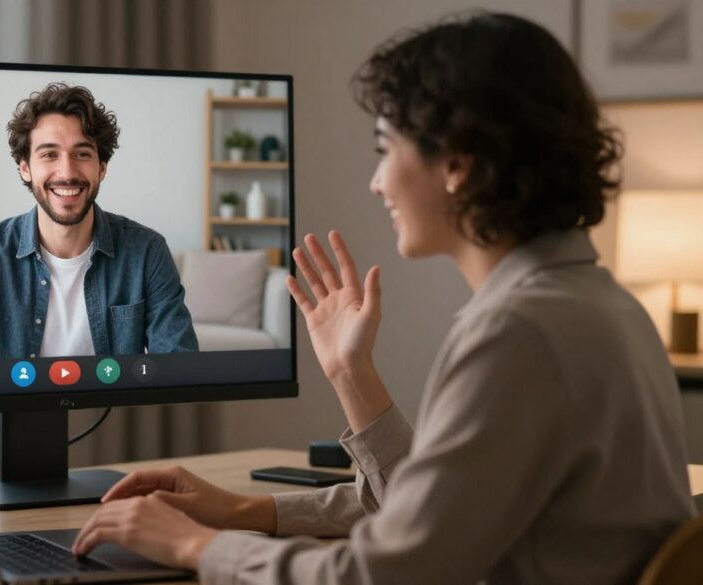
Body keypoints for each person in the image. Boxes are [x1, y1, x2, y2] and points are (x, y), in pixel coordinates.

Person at [71, 12, 695, 584]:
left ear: (456, 162)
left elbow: (385, 574)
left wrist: (196, 547)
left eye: (384, 150)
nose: (376, 182)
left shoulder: (520, 331)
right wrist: (340, 384)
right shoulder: (599, 304)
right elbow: (441, 514)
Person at [0, 83, 198, 361]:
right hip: (22, 406)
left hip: (120, 407)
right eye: (49, 154)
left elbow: (180, 364)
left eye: (82, 154)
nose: (67, 172)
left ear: (102, 168)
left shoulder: (148, 251)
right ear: (25, 168)